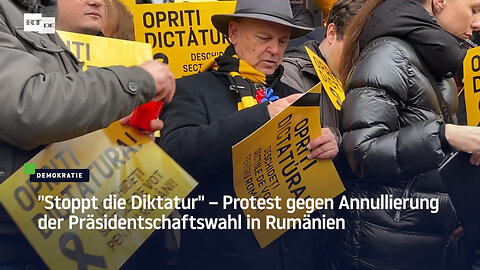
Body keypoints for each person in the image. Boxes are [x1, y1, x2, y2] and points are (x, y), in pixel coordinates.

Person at [159, 0, 339, 269]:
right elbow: (176, 156)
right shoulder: (192, 89)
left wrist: (331, 144)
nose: (274, 50)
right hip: (222, 257)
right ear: (233, 33)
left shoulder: (294, 93)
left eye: (282, 40)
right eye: (264, 38)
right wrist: (261, 116)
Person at [0, 0, 175, 267]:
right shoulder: (16, 16)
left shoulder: (39, 21)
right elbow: (25, 108)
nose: (97, 1)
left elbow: (43, 158)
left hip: (53, 231)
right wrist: (138, 81)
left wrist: (114, 133)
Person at [335, 0, 480, 269]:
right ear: (439, 1)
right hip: (386, 246)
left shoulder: (434, 63)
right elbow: (361, 151)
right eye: (474, 9)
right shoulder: (389, 54)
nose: (478, 23)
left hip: (427, 240)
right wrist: (444, 135)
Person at [282, 0, 365, 146]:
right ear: (332, 33)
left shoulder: (362, 81)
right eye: (354, 48)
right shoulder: (293, 73)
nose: (358, 58)